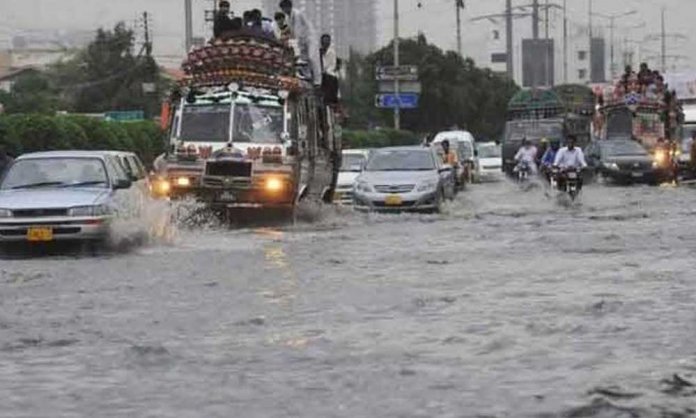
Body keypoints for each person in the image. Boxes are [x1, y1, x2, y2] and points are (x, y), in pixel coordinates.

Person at [280, 0, 321, 86]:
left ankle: (318, 80)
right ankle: (308, 76)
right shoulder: (288, 18)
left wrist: (295, 44)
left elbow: (298, 30)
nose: (285, 10)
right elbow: (291, 31)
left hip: (310, 38)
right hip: (301, 40)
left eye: (286, 8)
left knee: (312, 58)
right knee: (303, 59)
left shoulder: (298, 14)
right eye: (283, 9)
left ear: (289, 6)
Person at [320, 34, 339, 104]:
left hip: (328, 74)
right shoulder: (318, 52)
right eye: (324, 42)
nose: (326, 43)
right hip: (319, 74)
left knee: (331, 79)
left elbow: (332, 65)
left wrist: (325, 71)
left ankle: (330, 100)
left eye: (327, 42)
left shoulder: (332, 52)